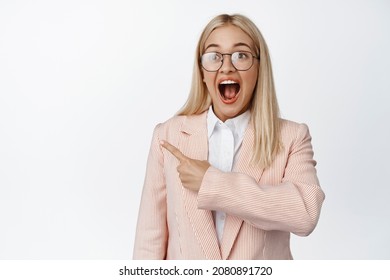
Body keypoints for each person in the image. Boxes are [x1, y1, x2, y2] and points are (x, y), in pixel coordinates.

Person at [133, 13, 325, 260]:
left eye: (241, 55)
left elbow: (305, 213)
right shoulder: (168, 136)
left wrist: (211, 184)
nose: (226, 66)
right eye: (214, 57)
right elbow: (149, 243)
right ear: (202, 71)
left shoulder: (291, 137)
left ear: (259, 69)